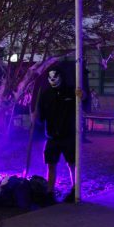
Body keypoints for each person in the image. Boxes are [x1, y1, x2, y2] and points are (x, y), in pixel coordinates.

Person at [37, 69, 76, 203]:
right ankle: (50, 192)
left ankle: (75, 189)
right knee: (51, 164)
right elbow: (40, 115)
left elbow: (83, 100)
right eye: (51, 77)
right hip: (52, 136)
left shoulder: (71, 91)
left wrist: (83, 96)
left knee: (72, 163)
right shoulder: (46, 94)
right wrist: (35, 116)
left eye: (56, 76)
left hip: (68, 135)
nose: (53, 79)